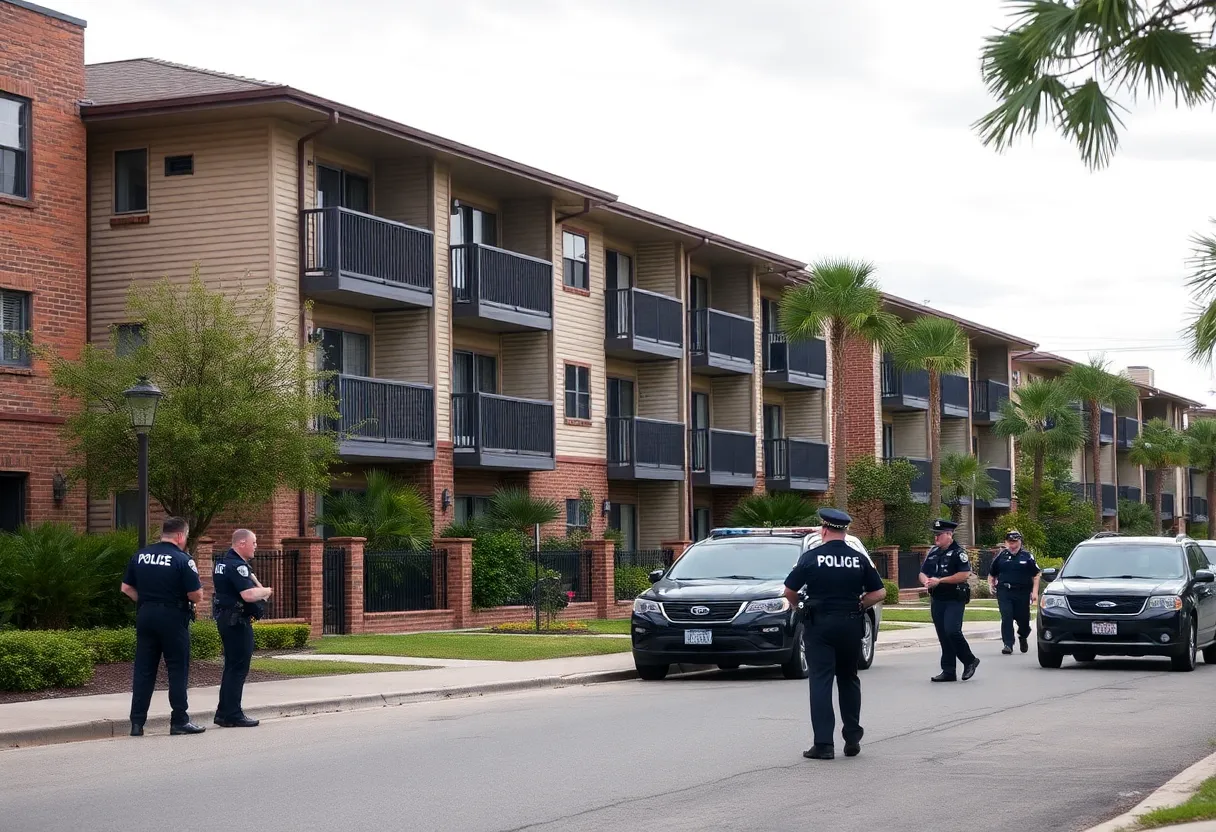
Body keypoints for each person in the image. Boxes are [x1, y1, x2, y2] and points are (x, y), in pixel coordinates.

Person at [782, 508, 887, 760]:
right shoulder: (857, 558)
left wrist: (798, 605)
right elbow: (879, 593)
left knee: (821, 681)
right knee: (849, 679)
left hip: (819, 626)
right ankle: (852, 737)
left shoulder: (811, 558)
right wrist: (860, 605)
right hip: (850, 625)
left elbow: (789, 590)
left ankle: (824, 744)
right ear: (845, 531)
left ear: (824, 530)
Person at [120, 516, 206, 736]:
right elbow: (195, 595)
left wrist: (147, 601)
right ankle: (179, 720)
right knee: (177, 669)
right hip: (173, 616)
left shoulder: (140, 555)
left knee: (144, 669)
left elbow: (126, 588)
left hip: (146, 614)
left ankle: (137, 723)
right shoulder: (182, 559)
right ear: (180, 536)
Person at [211, 528, 273, 728]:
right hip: (236, 621)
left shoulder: (221, 563)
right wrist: (265, 591)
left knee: (231, 666)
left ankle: (223, 712)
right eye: (253, 542)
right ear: (241, 544)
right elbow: (247, 595)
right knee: (238, 667)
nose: (256, 546)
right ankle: (233, 714)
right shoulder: (238, 566)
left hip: (226, 618)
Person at [919, 518, 980, 683]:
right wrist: (926, 580)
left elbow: (964, 574)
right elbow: (923, 572)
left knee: (952, 631)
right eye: (935, 535)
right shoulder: (933, 552)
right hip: (938, 598)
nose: (936, 538)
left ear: (949, 534)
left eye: (939, 535)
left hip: (954, 597)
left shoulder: (958, 552)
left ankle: (969, 660)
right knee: (943, 635)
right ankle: (948, 671)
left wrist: (940, 580)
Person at [988, 529, 1041, 655]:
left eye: (1015, 542)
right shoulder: (1001, 556)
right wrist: (990, 584)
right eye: (1010, 542)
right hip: (1004, 591)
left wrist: (1035, 592)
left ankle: (1023, 636)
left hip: (1022, 592)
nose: (1012, 545)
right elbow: (992, 573)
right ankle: (1008, 644)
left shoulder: (1027, 556)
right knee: (1006, 616)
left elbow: (1037, 574)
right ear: (1006, 543)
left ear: (1020, 542)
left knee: (1023, 619)